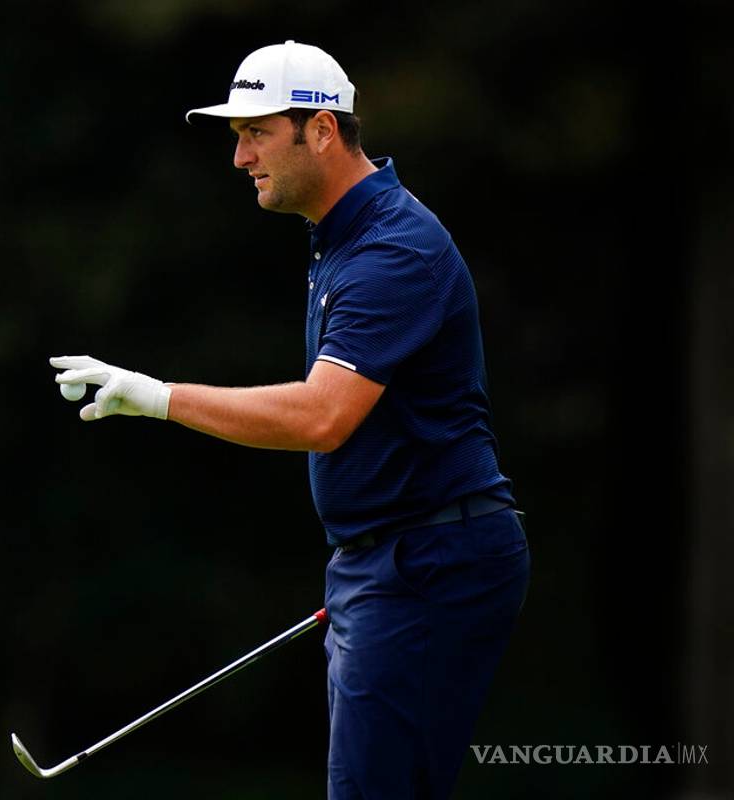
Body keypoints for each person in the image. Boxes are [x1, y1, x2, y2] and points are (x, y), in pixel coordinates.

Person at [49, 40, 530, 800]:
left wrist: (158, 395)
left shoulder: (393, 250)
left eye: (257, 133)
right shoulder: (339, 239)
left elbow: (322, 416)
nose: (240, 157)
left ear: (323, 131)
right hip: (385, 557)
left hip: (428, 561)